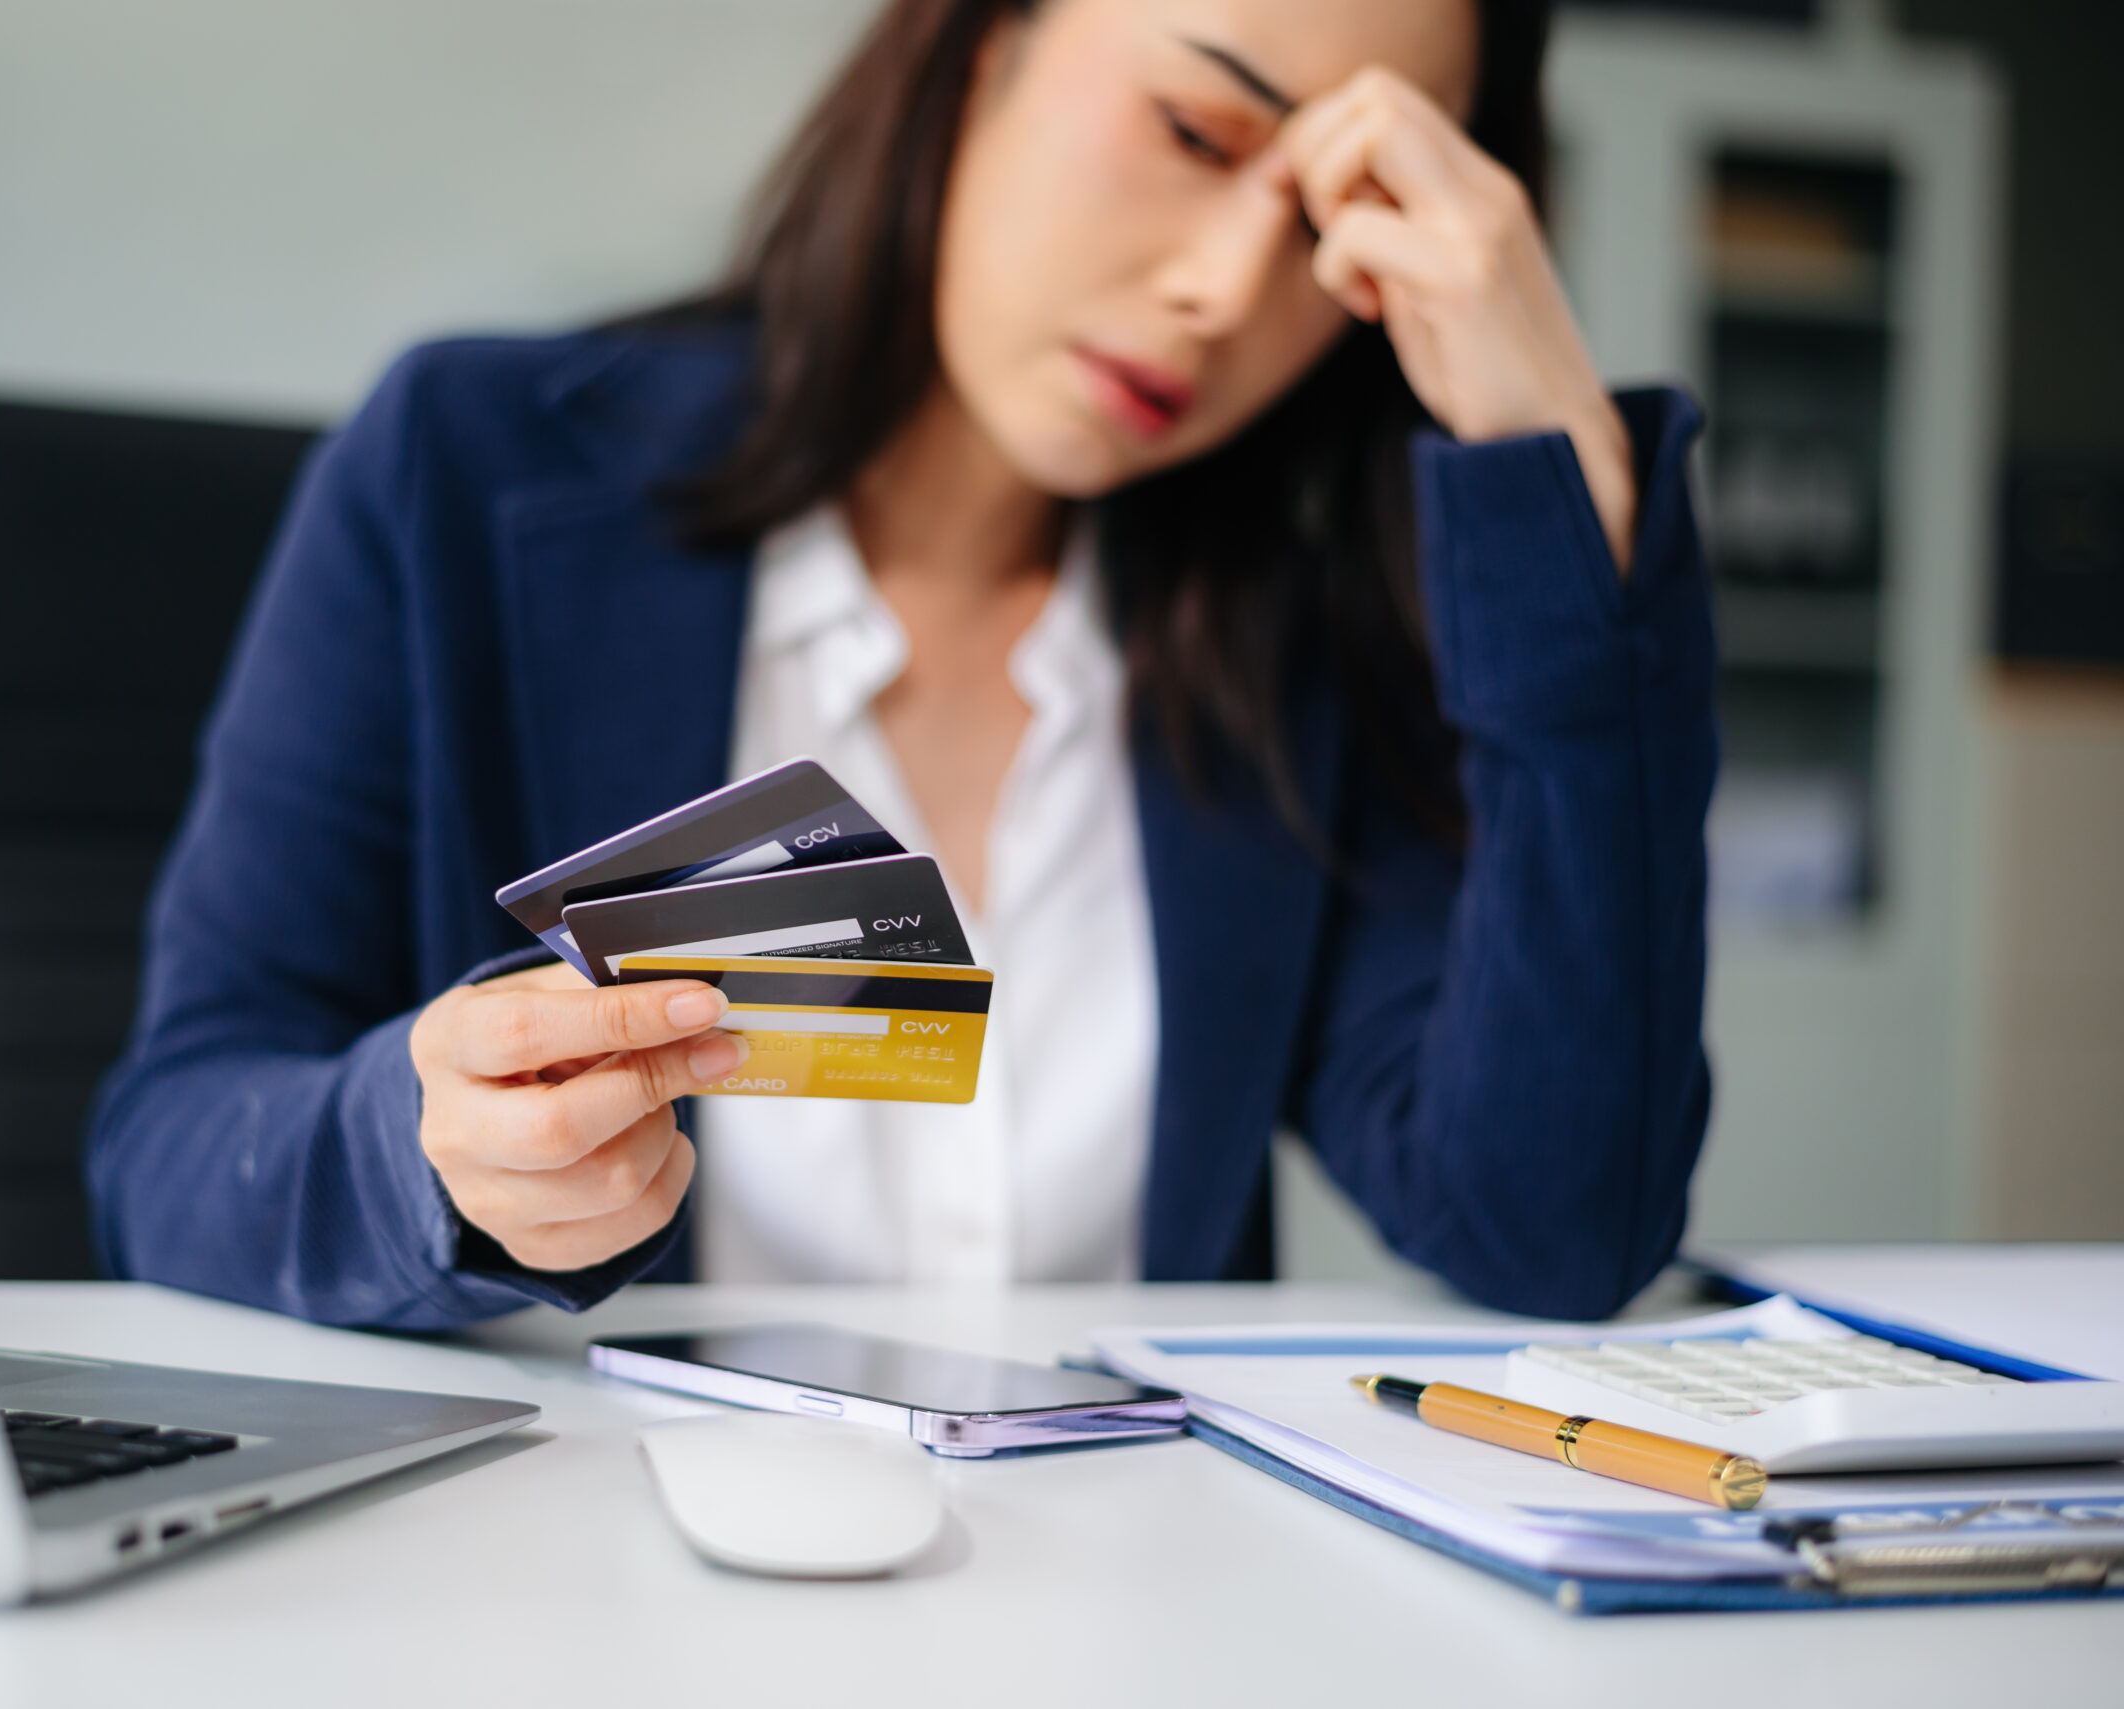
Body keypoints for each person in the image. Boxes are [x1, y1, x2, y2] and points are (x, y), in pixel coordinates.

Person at [88, 0, 1716, 1330]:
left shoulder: (1285, 640)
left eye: (1330, 224)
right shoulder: (462, 471)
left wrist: (1564, 489)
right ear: (980, 41)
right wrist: (427, 1153)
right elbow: (164, 1149)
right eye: (1195, 132)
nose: (1226, 289)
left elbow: (1555, 1221)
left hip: (1152, 1606)